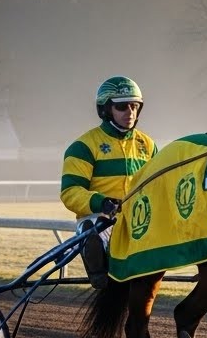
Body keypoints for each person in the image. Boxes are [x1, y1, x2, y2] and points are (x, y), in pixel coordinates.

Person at [60, 75, 157, 288]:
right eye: (122, 107)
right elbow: (70, 192)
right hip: (101, 217)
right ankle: (96, 266)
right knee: (92, 230)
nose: (130, 113)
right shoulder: (83, 146)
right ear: (105, 109)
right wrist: (100, 202)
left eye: (134, 106)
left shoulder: (147, 144)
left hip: (137, 218)